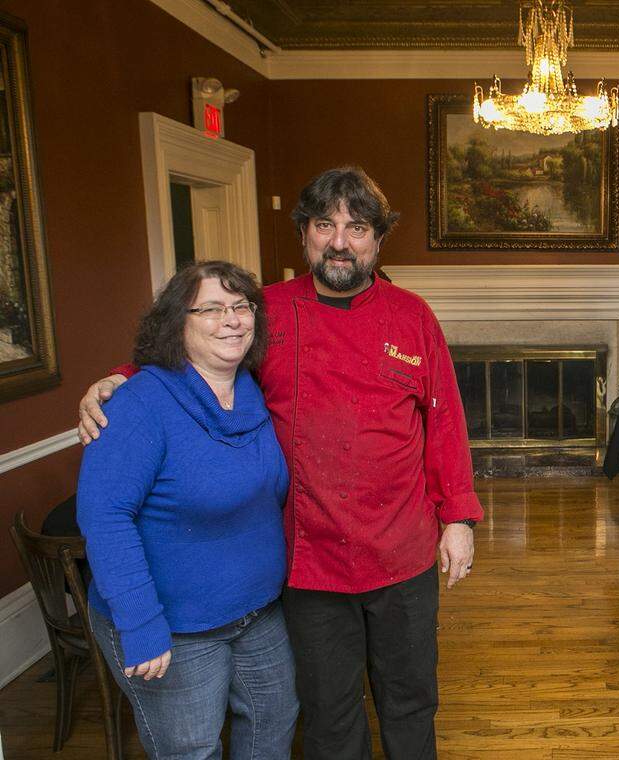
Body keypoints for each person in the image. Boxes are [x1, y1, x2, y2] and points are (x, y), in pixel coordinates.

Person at [78, 167, 483, 760]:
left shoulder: (412, 315)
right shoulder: (263, 311)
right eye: (325, 225)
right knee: (328, 710)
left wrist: (458, 519)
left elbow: (444, 420)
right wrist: (119, 380)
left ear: (377, 240)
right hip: (309, 558)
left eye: (357, 228)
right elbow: (196, 354)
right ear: (304, 235)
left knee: (411, 697)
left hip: (403, 549)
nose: (340, 241)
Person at [78, 261, 298, 759]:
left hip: (258, 611)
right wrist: (140, 624)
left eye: (242, 307)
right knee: (191, 749)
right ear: (179, 321)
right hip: (173, 623)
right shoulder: (139, 405)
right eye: (213, 308)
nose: (233, 319)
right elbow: (105, 518)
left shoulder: (252, 390)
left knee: (274, 722)